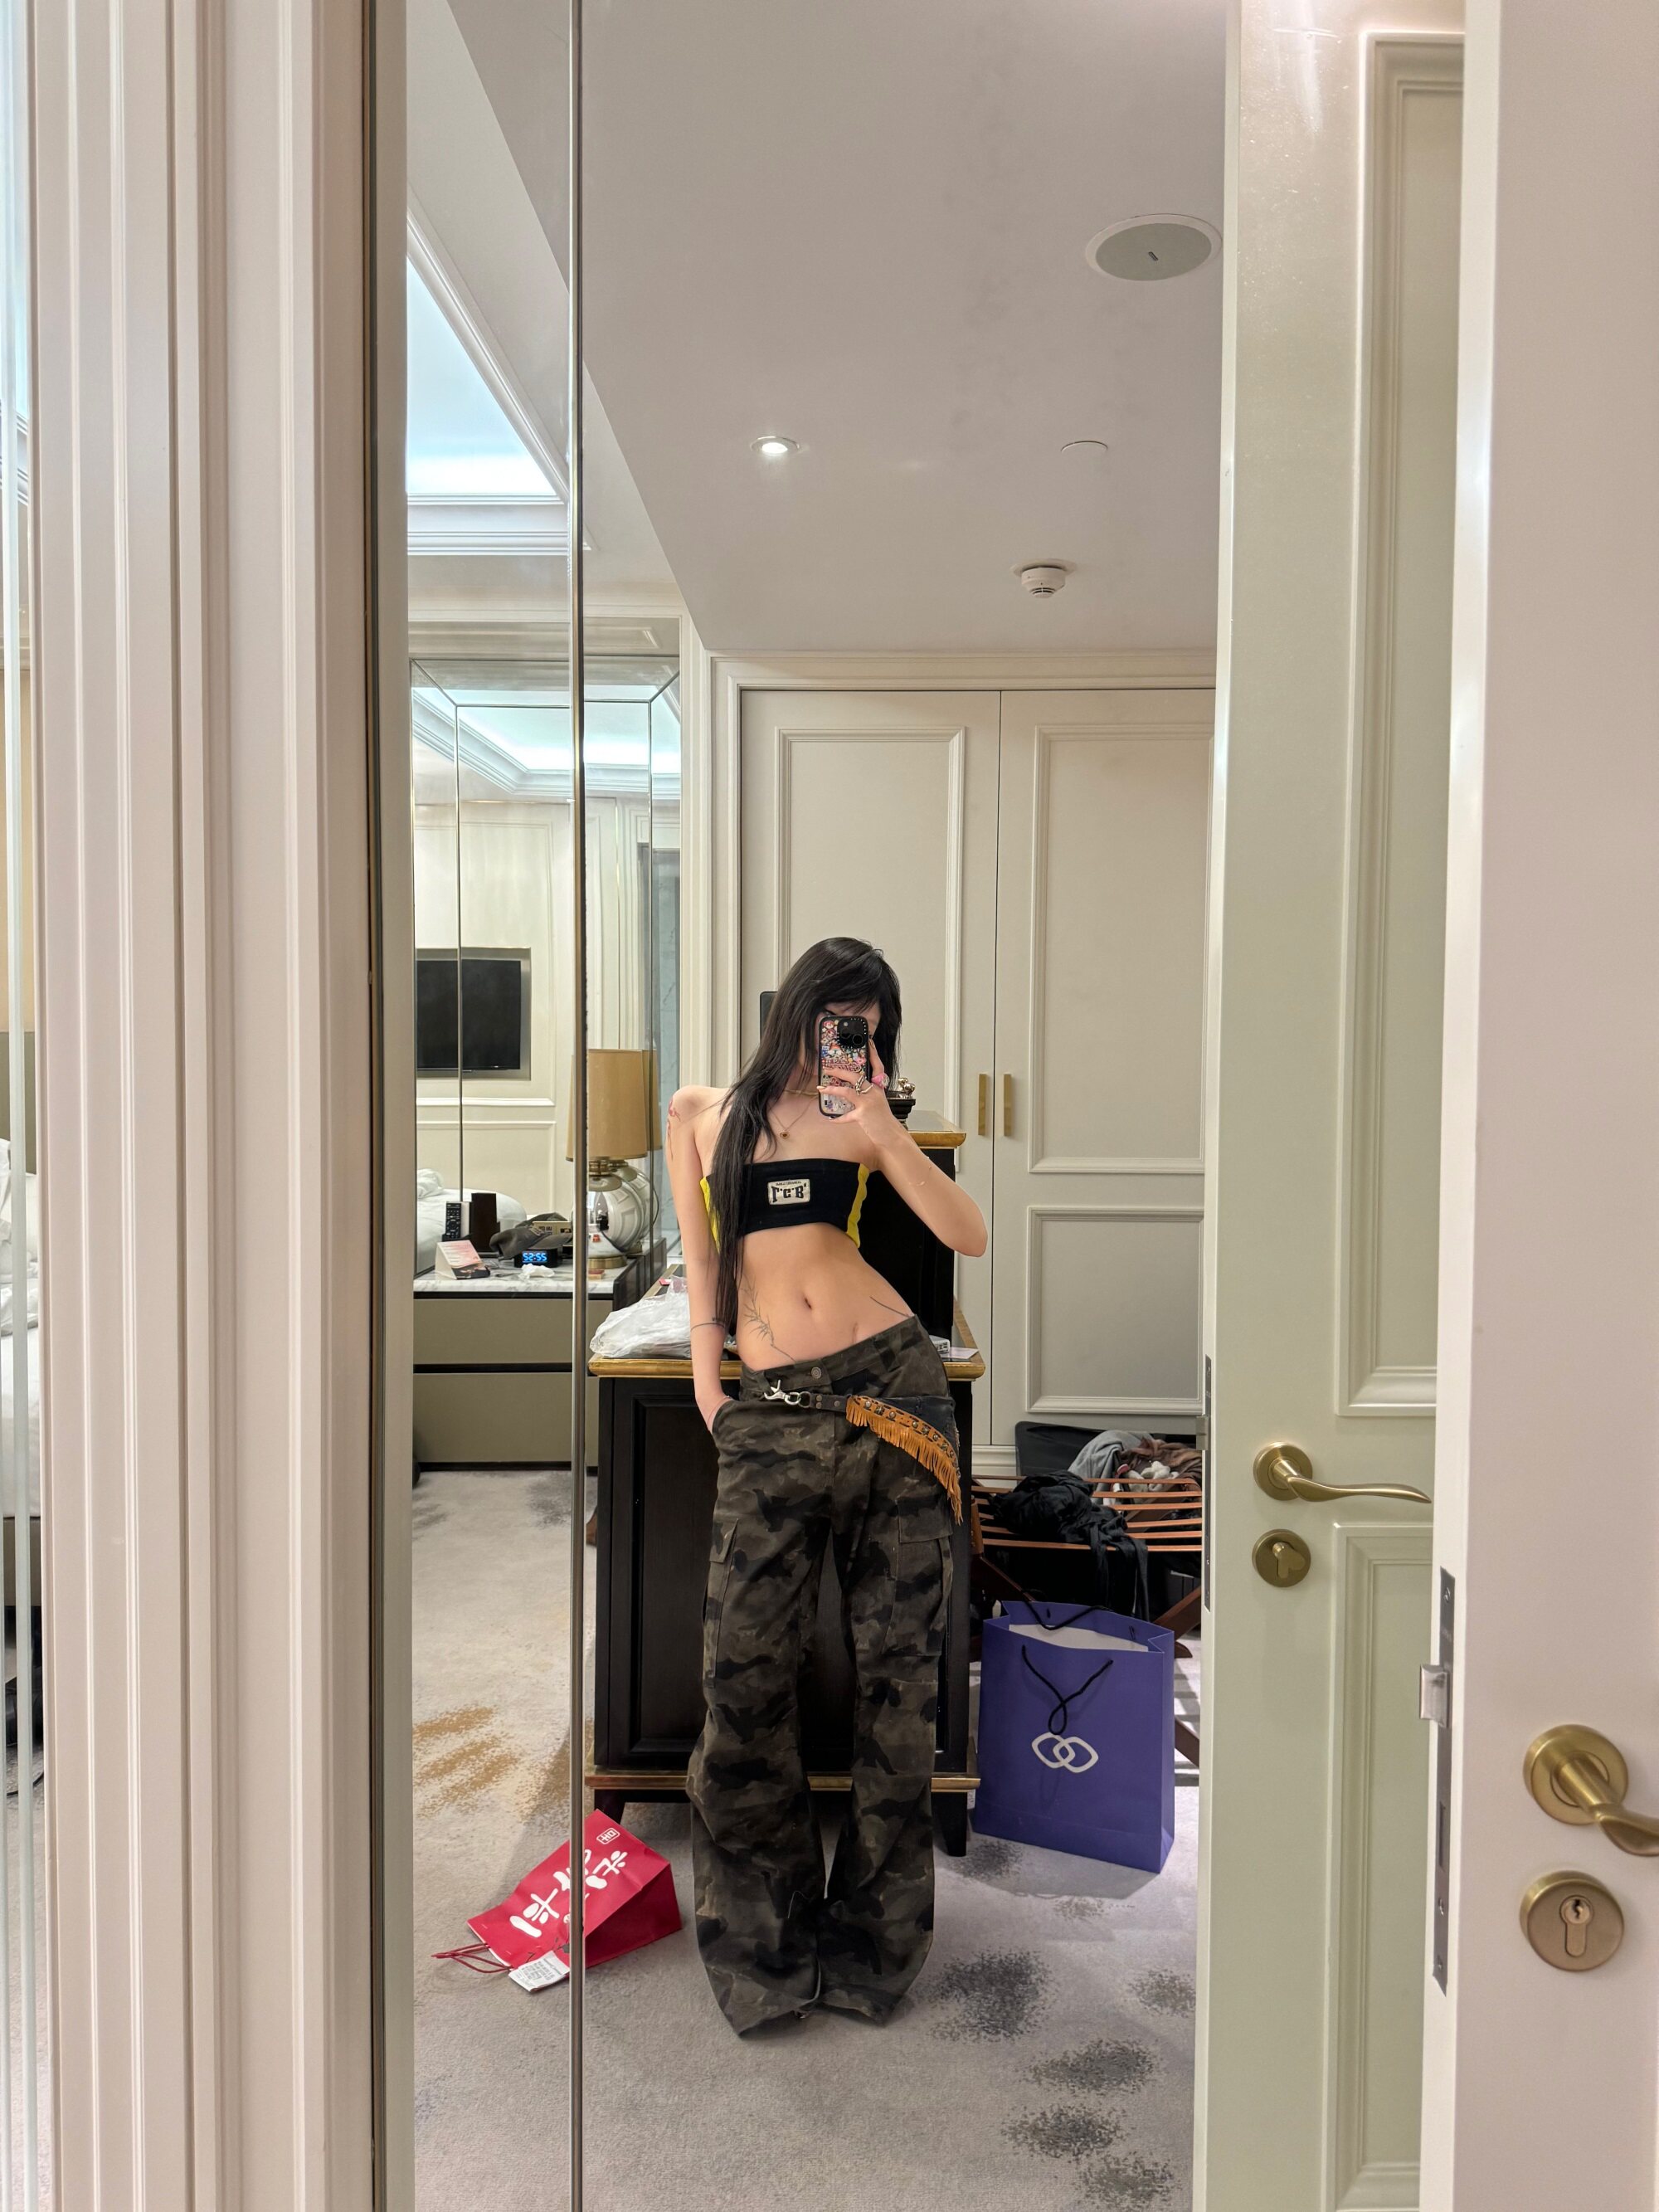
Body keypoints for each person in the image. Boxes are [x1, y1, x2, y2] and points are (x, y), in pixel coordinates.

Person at [665, 936, 987, 2034]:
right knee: (743, 1680)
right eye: (838, 1016)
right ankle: (764, 1952)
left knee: (899, 1690)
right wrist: (711, 1390)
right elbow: (704, 1270)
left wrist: (885, 1125)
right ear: (797, 1008)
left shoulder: (862, 1120)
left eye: (869, 1027)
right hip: (772, 1412)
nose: (848, 1038)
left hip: (894, 1394)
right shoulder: (702, 1114)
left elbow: (967, 1234)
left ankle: (873, 1953)